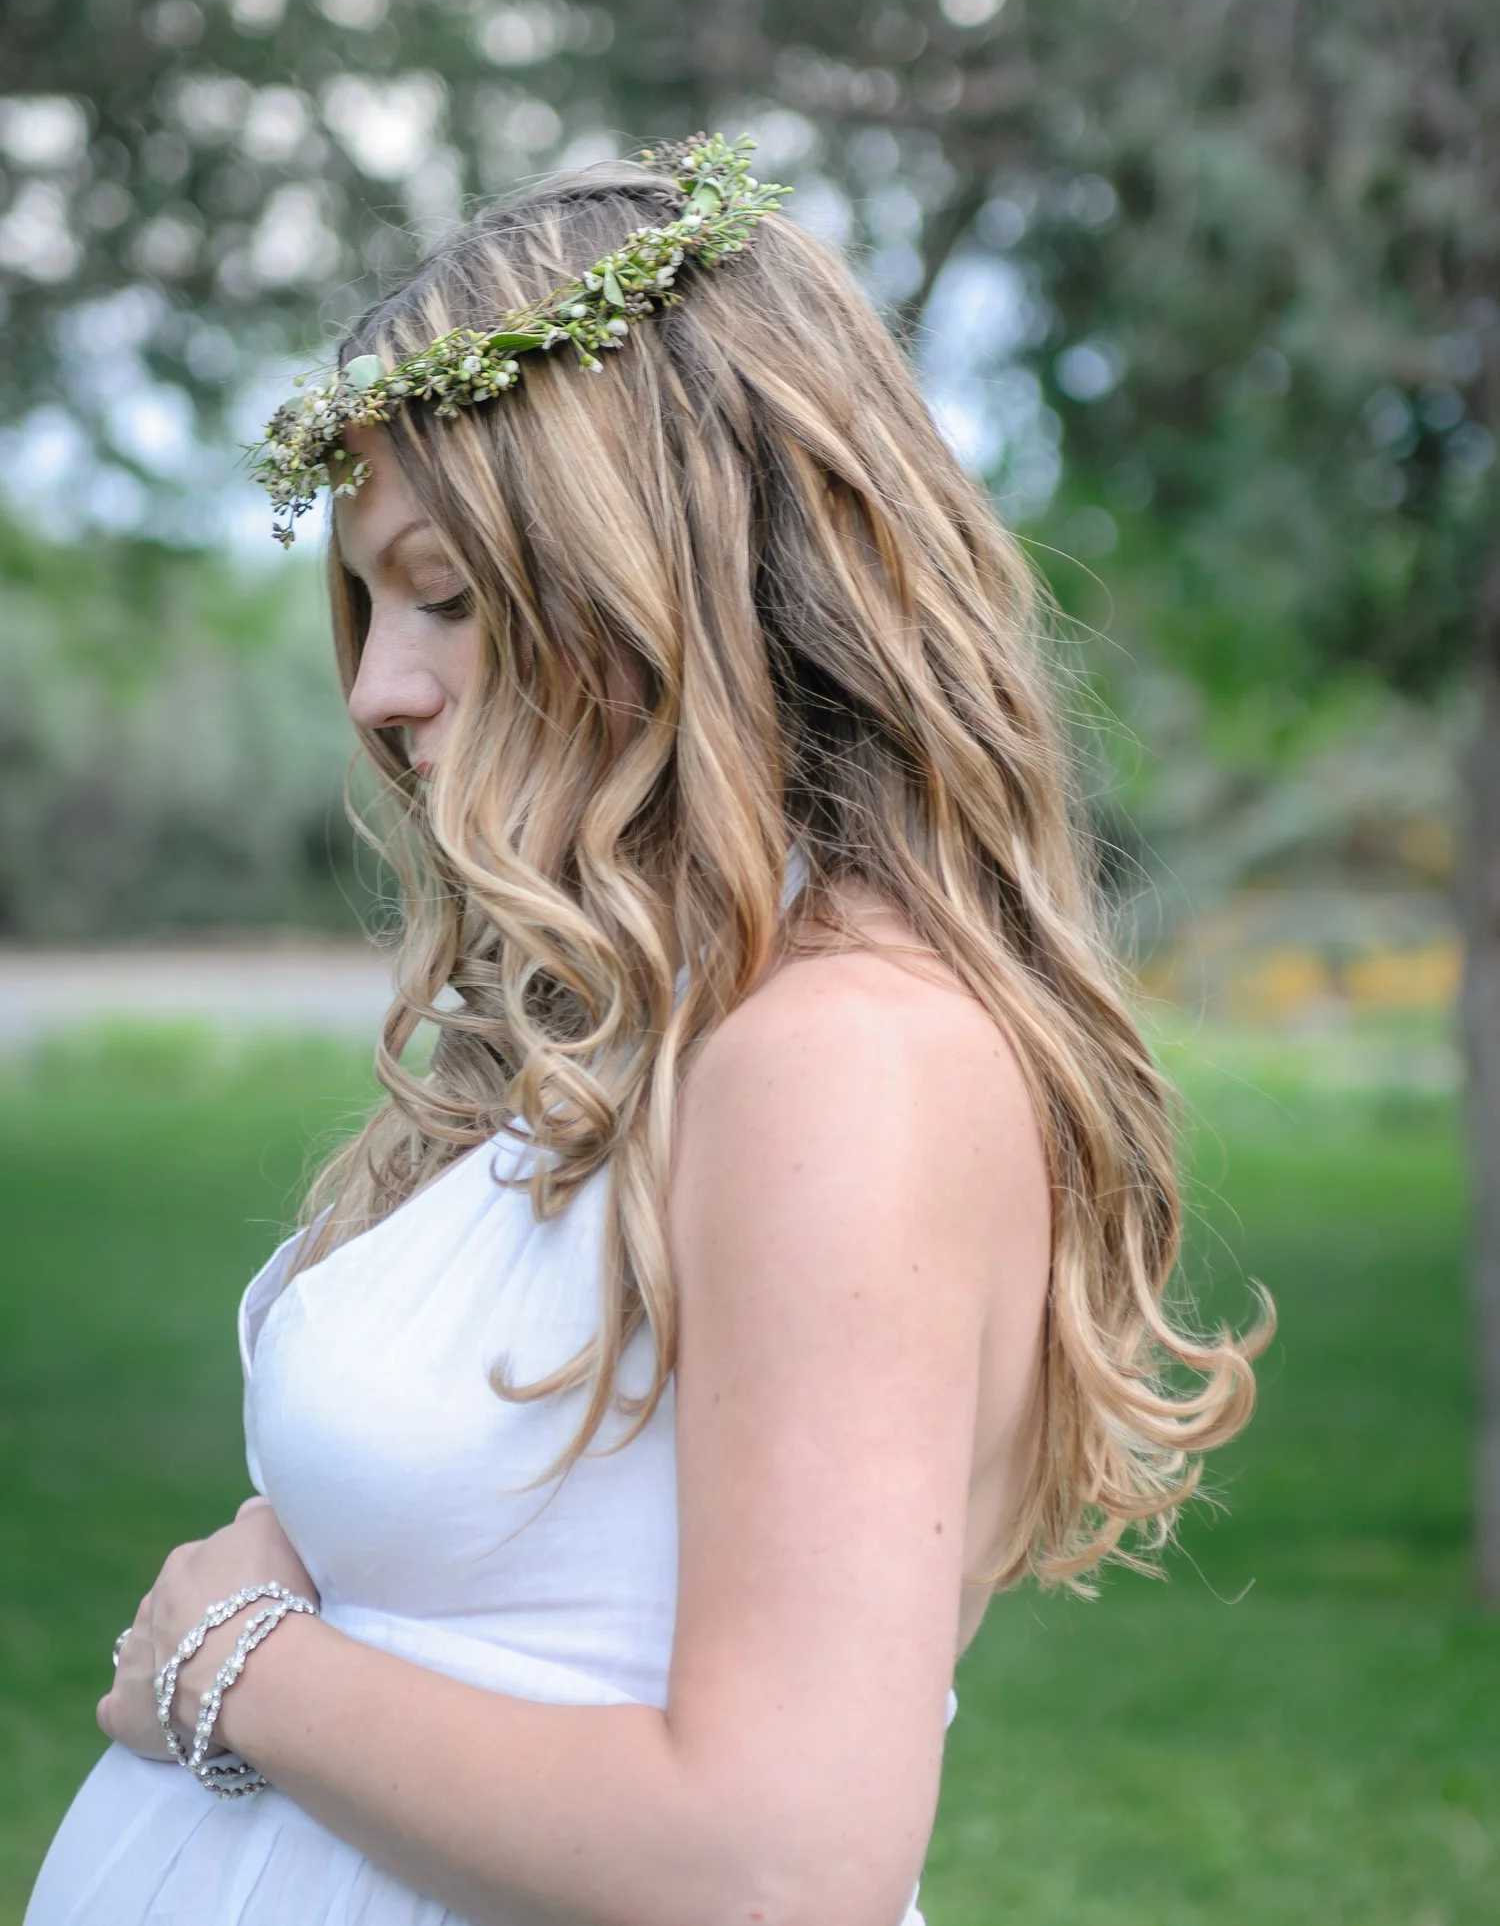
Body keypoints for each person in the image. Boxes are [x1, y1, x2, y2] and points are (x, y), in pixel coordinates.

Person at [27, 137, 1264, 1926]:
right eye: (370, 602)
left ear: (669, 584)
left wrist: (239, 1666)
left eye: (447, 594)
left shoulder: (847, 1061)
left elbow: (776, 1867)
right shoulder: (653, 1028)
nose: (377, 686)